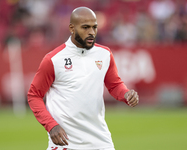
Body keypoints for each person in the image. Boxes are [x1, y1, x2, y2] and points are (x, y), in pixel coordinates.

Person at [27, 7, 139, 150]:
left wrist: (126, 94)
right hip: (65, 143)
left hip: (100, 141)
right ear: (72, 28)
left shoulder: (104, 54)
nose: (91, 32)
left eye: (94, 27)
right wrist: (51, 125)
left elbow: (115, 85)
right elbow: (34, 95)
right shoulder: (53, 59)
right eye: (85, 27)